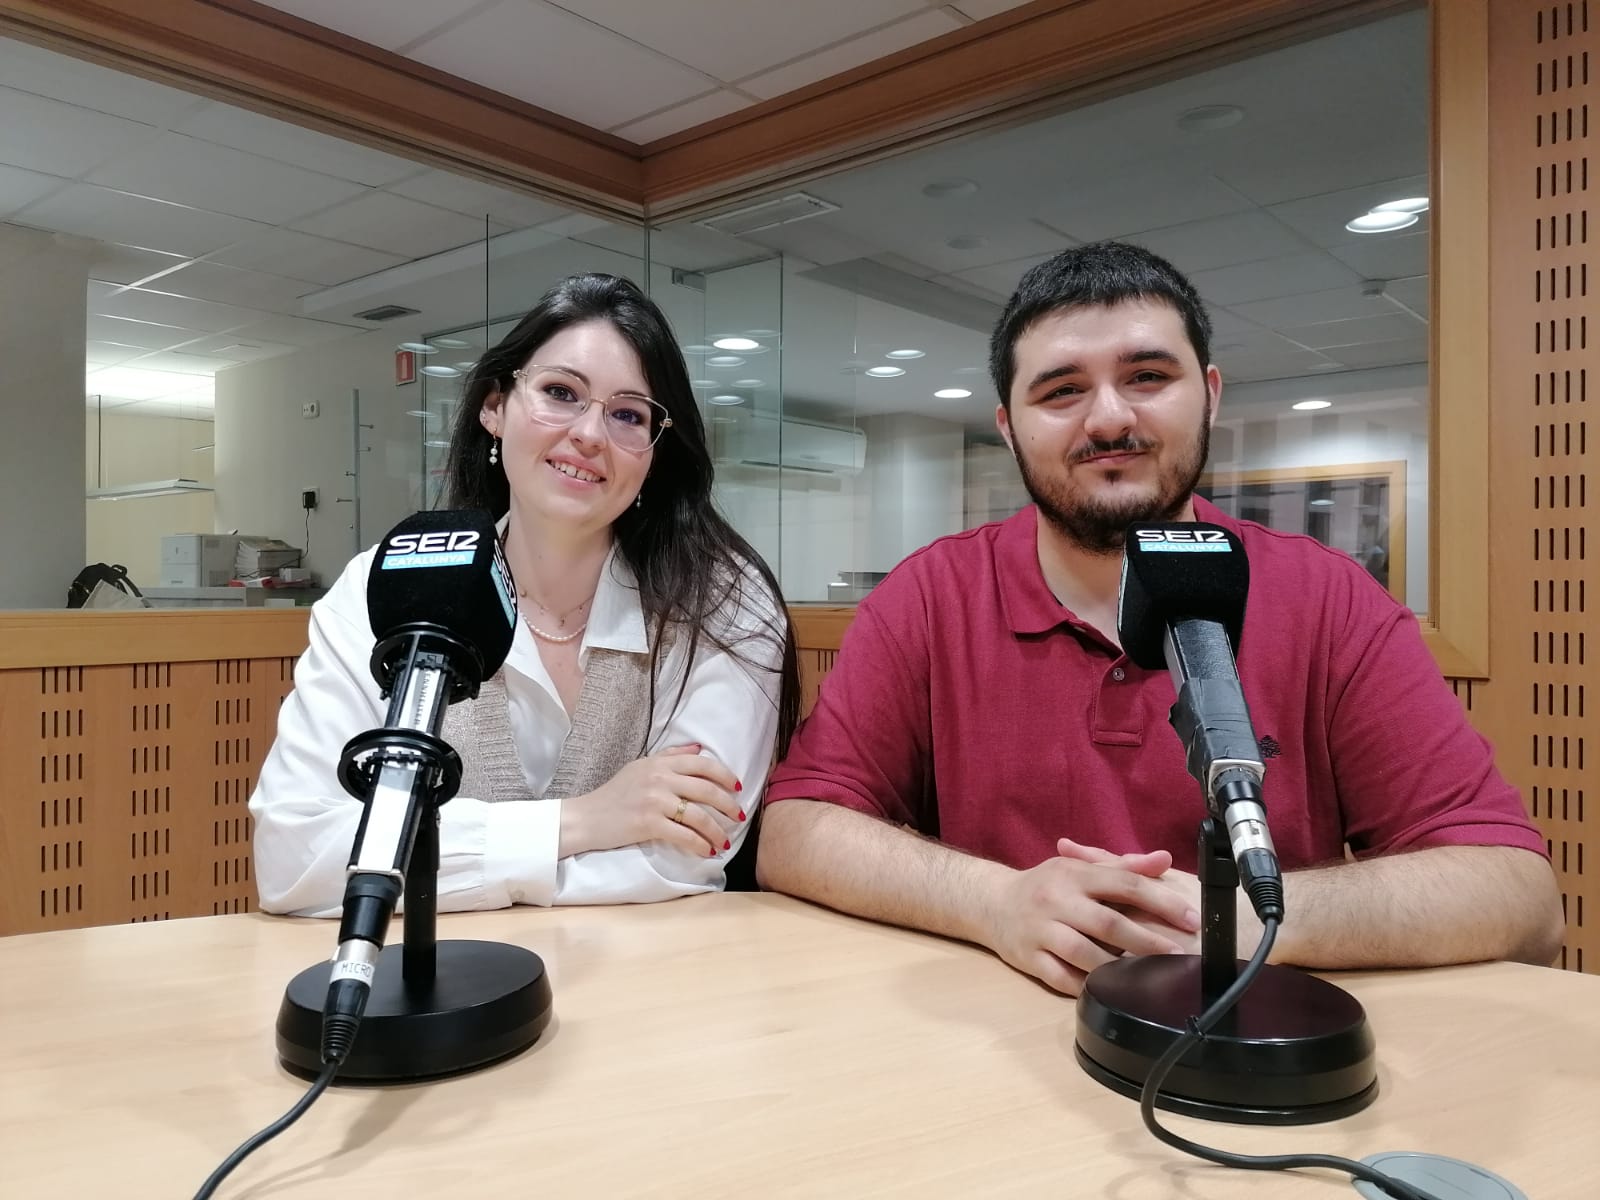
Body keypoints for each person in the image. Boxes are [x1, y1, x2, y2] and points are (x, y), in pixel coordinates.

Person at [757, 242, 1563, 995]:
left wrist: (1233, 921)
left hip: (1251, 1041)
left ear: (1208, 394)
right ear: (1008, 427)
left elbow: (1518, 897)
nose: (1108, 419)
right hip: (996, 1044)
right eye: (1061, 389)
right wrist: (994, 901)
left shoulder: (1329, 600)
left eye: (1147, 375)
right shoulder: (929, 598)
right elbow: (794, 831)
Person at [252, 273, 800, 914]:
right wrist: (586, 821)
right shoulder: (387, 584)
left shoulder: (724, 604)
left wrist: (441, 862)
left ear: (654, 449)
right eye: (561, 393)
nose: (590, 434)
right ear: (494, 406)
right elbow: (294, 856)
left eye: (628, 414)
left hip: (652, 985)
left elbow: (685, 858)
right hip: (426, 989)